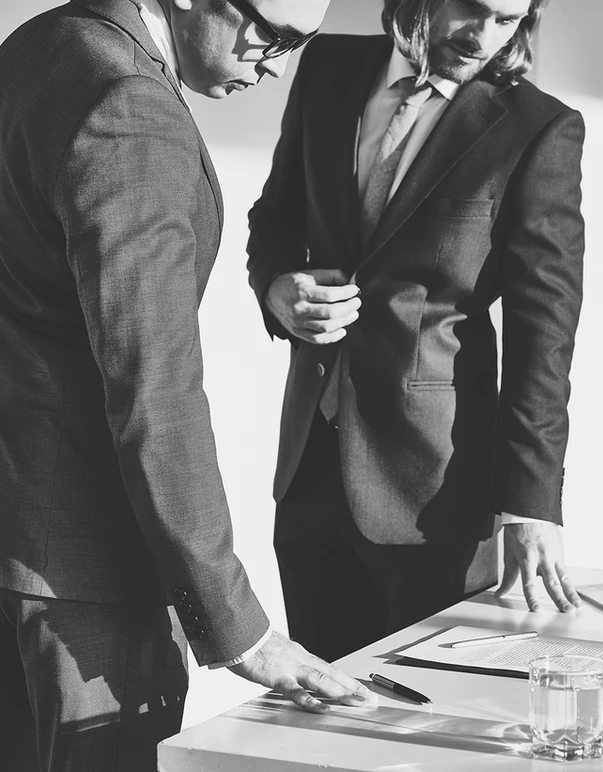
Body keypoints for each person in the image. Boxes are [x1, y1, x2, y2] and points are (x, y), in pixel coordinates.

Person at [0, 1, 375, 770]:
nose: (276, 64)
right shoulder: (129, 107)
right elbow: (154, 387)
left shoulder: (44, 42)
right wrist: (238, 626)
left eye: (298, 45)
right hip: (81, 579)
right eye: (270, 33)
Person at [247, 0, 586, 663]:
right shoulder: (326, 68)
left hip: (436, 498)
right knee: (327, 723)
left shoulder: (536, 129)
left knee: (429, 728)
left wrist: (530, 505)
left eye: (508, 20)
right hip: (310, 473)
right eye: (474, 10)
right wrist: (276, 288)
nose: (485, 37)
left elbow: (543, 330)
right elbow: (277, 216)